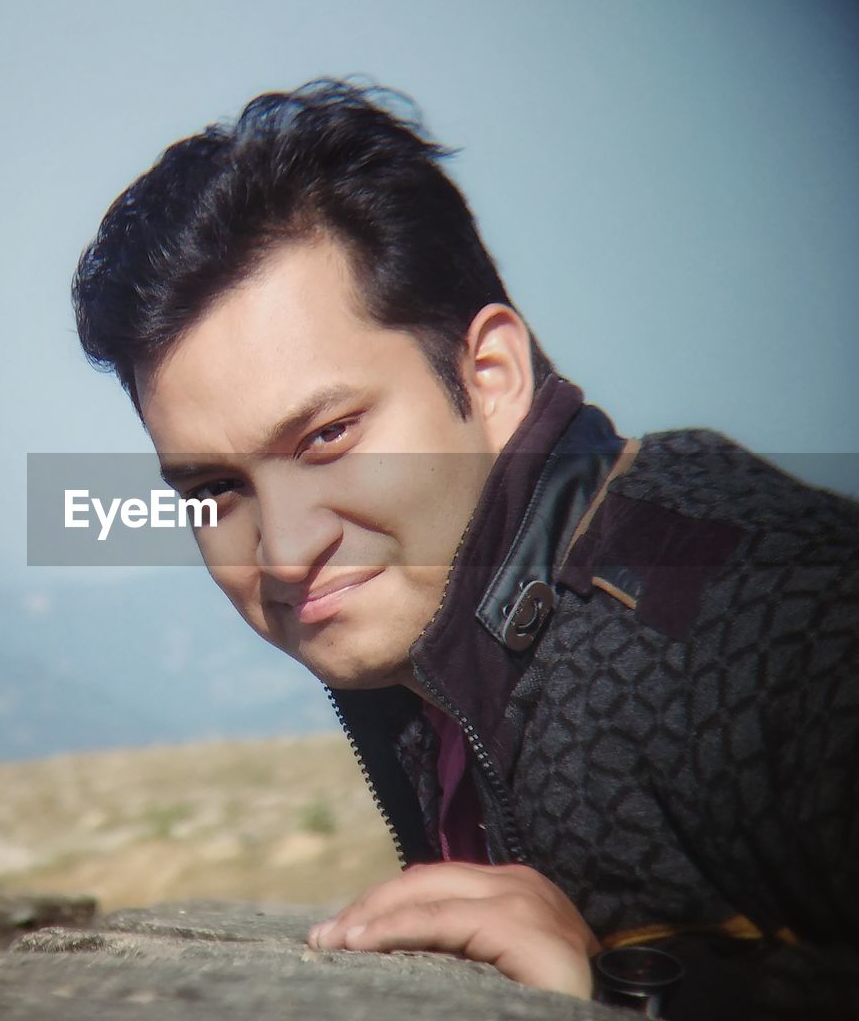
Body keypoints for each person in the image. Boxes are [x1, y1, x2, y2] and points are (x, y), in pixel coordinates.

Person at [69, 79, 859, 1018]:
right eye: (214, 489)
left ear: (490, 377)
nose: (281, 553)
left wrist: (617, 998)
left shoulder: (774, 618)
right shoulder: (451, 637)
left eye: (327, 438)